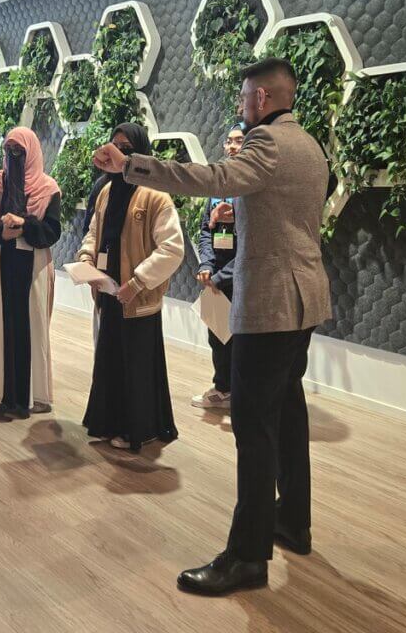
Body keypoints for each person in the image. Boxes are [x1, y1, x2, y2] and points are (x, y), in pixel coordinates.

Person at [93, 58, 331, 596]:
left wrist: (132, 163)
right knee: (288, 413)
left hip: (271, 305)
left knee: (253, 425)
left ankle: (247, 559)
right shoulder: (311, 145)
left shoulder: (265, 145)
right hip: (306, 299)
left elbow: (211, 179)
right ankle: (293, 521)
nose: (241, 105)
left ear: (263, 99)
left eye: (245, 96)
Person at [78, 123, 185, 451]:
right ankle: (108, 421)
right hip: (109, 291)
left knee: (136, 363)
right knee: (109, 358)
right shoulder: (107, 190)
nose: (118, 153)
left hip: (137, 297)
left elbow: (172, 248)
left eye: (126, 148)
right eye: (114, 146)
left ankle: (136, 427)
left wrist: (138, 282)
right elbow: (95, 231)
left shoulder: (155, 195)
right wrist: (85, 258)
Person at [0, 127, 62, 420]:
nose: (13, 157)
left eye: (19, 151)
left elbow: (52, 231)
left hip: (34, 266)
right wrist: (6, 233)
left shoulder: (48, 188)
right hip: (0, 265)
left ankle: (34, 394)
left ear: (31, 152)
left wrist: (24, 223)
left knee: (32, 328)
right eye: (9, 151)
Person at [192, 123, 244, 409]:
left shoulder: (253, 190)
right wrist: (207, 265)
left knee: (241, 341)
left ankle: (241, 394)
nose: (232, 146)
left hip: (244, 277)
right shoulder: (217, 187)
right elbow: (205, 231)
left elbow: (254, 243)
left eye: (239, 141)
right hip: (216, 278)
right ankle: (222, 389)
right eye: (229, 141)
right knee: (217, 336)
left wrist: (222, 275)